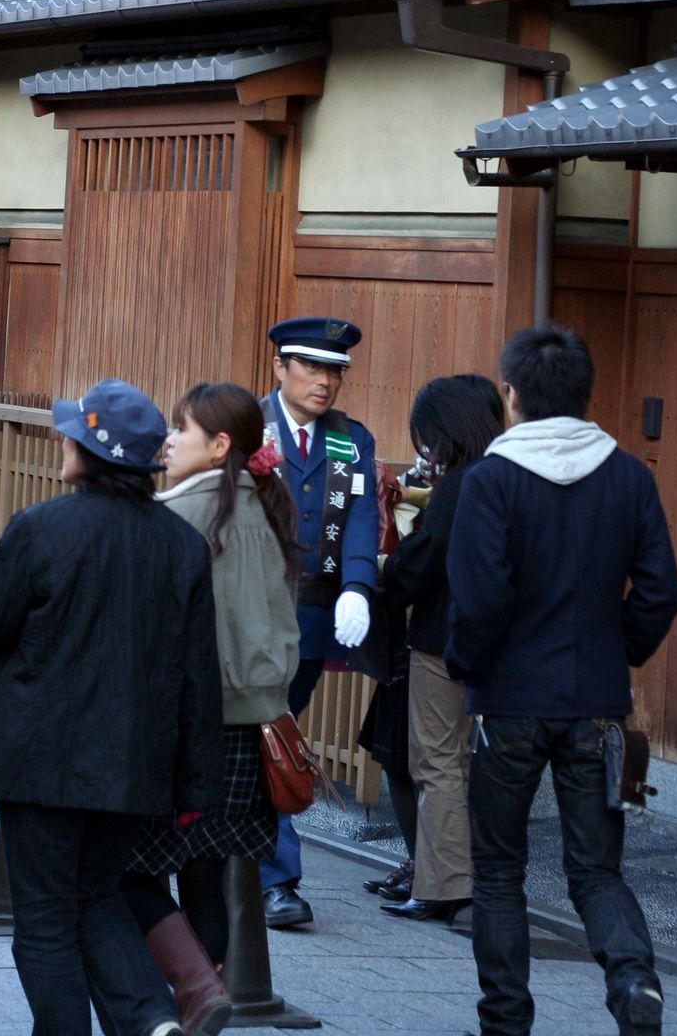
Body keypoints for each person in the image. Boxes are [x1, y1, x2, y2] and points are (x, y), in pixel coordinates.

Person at [0, 377, 222, 1036]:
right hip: (132, 763)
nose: (62, 442)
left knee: (46, 919)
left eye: (71, 435)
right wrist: (194, 785)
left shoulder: (43, 528)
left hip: (40, 757)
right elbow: (198, 675)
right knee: (96, 897)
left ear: (92, 452)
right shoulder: (182, 546)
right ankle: (151, 1021)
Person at [447, 323, 677, 1036]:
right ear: (586, 395)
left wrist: (467, 664)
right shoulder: (628, 477)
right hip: (595, 704)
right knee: (596, 870)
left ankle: (506, 1021)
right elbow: (660, 590)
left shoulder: (490, 479)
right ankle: (633, 980)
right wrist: (618, 650)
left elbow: (479, 599)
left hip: (508, 700)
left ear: (511, 395)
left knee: (497, 870)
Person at [121, 381, 299, 1034]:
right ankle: (208, 991)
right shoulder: (271, 508)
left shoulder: (173, 515)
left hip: (183, 724)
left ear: (220, 445)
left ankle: (181, 993)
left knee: (135, 865)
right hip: (254, 725)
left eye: (181, 429)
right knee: (208, 870)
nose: (167, 441)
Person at [258, 315, 378, 929]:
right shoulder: (246, 425)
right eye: (310, 367)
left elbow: (360, 516)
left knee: (271, 736)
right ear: (280, 366)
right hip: (248, 616)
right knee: (267, 735)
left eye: (334, 370)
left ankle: (249, 866)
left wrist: (358, 586)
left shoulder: (349, 439)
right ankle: (276, 878)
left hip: (310, 617)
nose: (323, 381)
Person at [378, 374, 504, 924]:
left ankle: (445, 886)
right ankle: (453, 881)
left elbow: (424, 560)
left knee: (436, 761)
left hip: (442, 638)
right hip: (494, 641)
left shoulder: (460, 484)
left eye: (428, 436)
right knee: (460, 763)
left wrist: (385, 569)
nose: (426, 448)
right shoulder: (503, 475)